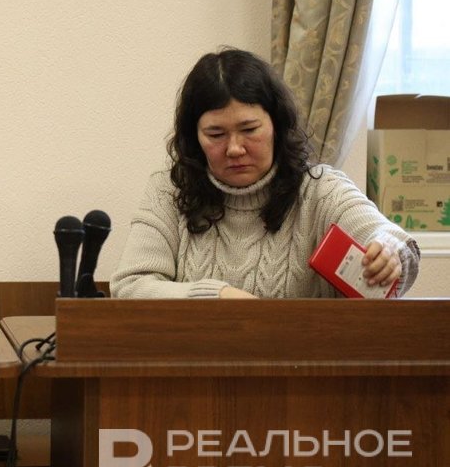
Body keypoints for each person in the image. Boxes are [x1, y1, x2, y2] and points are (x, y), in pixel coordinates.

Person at [111, 48, 420, 299]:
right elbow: (130, 285)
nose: (234, 148)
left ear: (276, 125)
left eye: (249, 129)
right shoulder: (169, 189)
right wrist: (214, 297)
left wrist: (389, 251)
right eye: (216, 134)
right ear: (195, 138)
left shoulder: (319, 188)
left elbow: (388, 237)